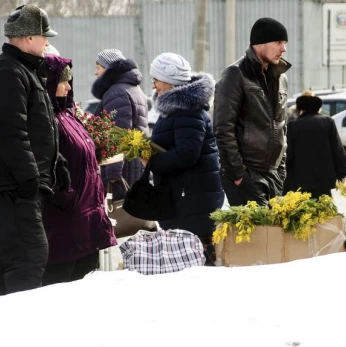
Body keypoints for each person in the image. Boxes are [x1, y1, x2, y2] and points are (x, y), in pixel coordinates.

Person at [0, 4, 70, 298]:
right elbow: (9, 132)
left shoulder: (23, 70)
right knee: (28, 258)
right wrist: (29, 176)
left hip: (15, 185)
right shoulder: (9, 72)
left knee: (7, 261)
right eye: (44, 37)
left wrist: (57, 162)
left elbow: (36, 127)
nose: (47, 43)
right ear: (28, 38)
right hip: (13, 187)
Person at [40, 54, 118, 285]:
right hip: (65, 221)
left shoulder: (67, 116)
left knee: (82, 285)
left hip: (84, 218)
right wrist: (67, 198)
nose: (67, 86)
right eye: (62, 81)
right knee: (59, 285)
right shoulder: (47, 119)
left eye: (68, 82)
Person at [145, 52, 224, 265]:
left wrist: (152, 162)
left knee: (198, 262)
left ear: (169, 81)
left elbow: (187, 154)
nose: (154, 86)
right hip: (188, 195)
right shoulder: (177, 109)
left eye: (156, 80)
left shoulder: (186, 111)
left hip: (192, 198)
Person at [213, 17, 290, 206]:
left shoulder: (282, 79)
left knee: (275, 235)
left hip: (274, 176)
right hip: (246, 175)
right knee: (254, 236)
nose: (284, 49)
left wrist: (281, 169)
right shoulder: (235, 75)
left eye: (285, 43)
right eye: (279, 42)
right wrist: (238, 174)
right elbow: (223, 128)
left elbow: (282, 127)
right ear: (260, 43)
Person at [91, 48, 149, 201]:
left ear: (109, 70)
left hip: (122, 170)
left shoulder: (117, 92)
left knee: (119, 218)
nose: (96, 73)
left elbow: (116, 135)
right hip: (135, 165)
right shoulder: (133, 89)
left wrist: (112, 174)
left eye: (98, 68)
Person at [283, 91, 346, 199]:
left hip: (299, 181)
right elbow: (338, 150)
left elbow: (289, 154)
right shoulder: (328, 122)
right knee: (324, 211)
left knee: (303, 213)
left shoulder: (293, 125)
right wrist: (341, 175)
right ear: (318, 108)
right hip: (324, 180)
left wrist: (285, 178)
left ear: (300, 109)